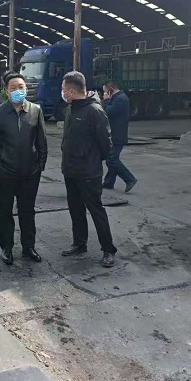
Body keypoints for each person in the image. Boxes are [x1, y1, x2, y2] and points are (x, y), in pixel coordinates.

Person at [0, 73, 48, 265]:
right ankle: (7, 247)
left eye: (21, 87)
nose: (18, 90)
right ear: (6, 91)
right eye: (13, 88)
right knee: (5, 212)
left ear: (26, 89)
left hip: (30, 173)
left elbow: (42, 143)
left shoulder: (35, 111)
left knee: (27, 211)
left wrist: (39, 167)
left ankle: (29, 247)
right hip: (5, 173)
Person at [60, 71, 117, 268]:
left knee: (96, 210)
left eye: (63, 90)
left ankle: (108, 249)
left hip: (88, 172)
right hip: (70, 169)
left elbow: (106, 144)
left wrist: (90, 160)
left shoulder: (94, 111)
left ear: (71, 91)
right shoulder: (70, 109)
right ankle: (79, 243)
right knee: (75, 209)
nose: (62, 93)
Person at [102, 81, 137, 193]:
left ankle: (129, 179)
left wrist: (106, 100)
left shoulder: (120, 99)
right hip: (116, 133)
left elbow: (109, 112)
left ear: (111, 90)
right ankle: (109, 182)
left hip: (117, 134)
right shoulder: (119, 98)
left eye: (105, 92)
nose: (104, 94)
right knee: (111, 159)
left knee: (112, 158)